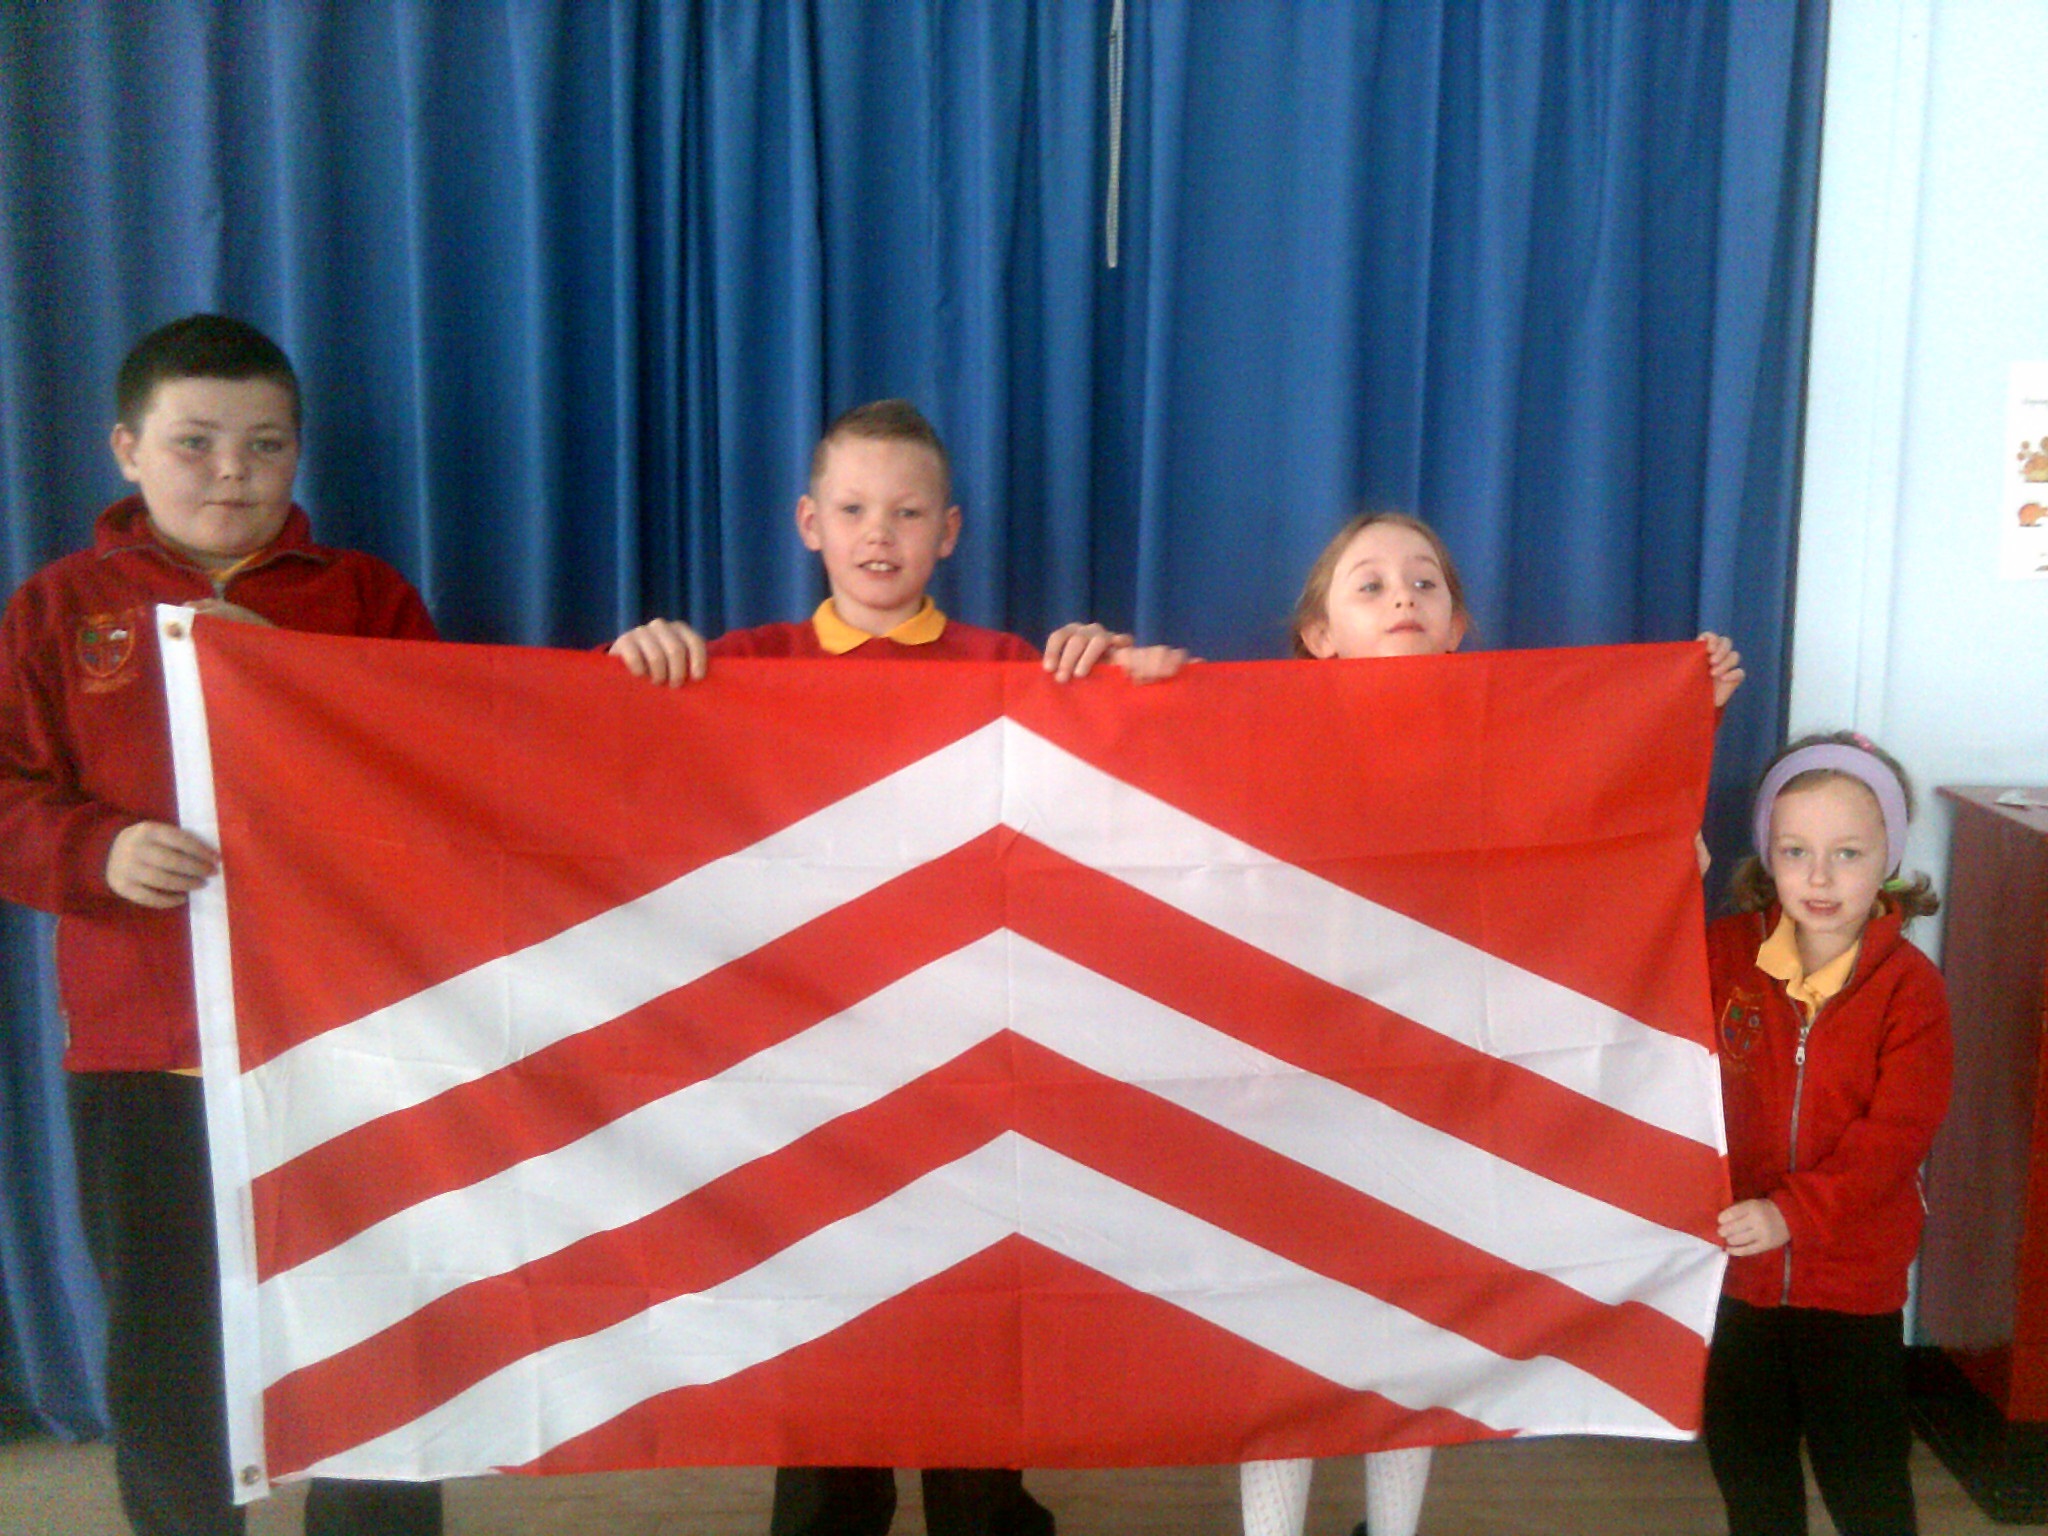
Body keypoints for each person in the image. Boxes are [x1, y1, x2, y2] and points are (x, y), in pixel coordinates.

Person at [611, 397, 1181, 1536]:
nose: (880, 533)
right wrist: (625, 668)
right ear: (808, 523)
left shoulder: (1014, 668)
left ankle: (984, 1505)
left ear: (949, 532)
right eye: (855, 509)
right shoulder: (736, 667)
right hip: (809, 1072)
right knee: (826, 1349)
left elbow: (1146, 783)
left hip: (973, 1067)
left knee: (972, 1343)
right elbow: (585, 765)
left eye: (909, 513)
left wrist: (1141, 679)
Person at [0, 315, 443, 1535]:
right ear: (126, 450)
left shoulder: (364, 598)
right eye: (194, 442)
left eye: (265, 444)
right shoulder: (58, 609)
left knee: (380, 1322)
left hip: (347, 1034)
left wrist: (297, 688)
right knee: (168, 1341)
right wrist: (95, 850)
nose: (232, 472)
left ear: (298, 451)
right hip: (148, 1051)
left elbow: (443, 776)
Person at [1239, 509, 1744, 1536]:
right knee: (1290, 1341)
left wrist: (1673, 724)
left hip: (1443, 1097)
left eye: (1423, 581)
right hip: (1301, 1089)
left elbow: (1628, 870)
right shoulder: (1257, 740)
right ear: (1318, 634)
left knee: (1421, 1334)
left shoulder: (1512, 747)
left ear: (1458, 623)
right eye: (1370, 584)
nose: (1402, 596)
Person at [1703, 731, 1951, 1536]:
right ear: (1767, 855)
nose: (1818, 877)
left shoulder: (1910, 989)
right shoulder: (1723, 956)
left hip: (1852, 1286)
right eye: (1795, 851)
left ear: (1889, 858)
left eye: (1847, 853)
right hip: (1737, 1277)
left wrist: (1794, 1214)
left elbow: (1897, 1136)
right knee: (1750, 1471)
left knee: (1864, 1477)